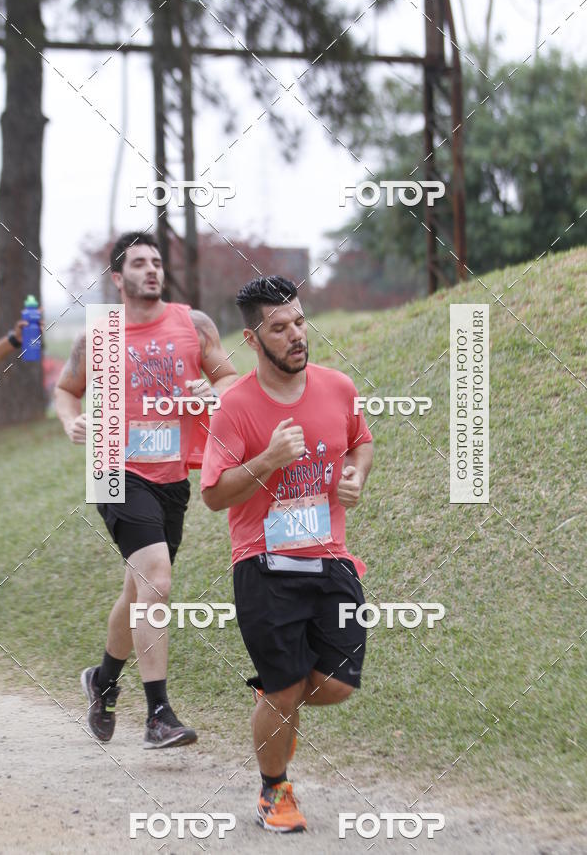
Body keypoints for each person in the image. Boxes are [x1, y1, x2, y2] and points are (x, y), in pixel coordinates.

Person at [200, 276, 373, 832]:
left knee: (339, 683)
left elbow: (361, 440)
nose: (296, 335)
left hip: (332, 558)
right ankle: (274, 791)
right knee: (284, 686)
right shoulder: (235, 408)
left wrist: (355, 474)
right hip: (263, 563)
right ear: (253, 339)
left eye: (299, 321)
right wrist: (269, 459)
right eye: (280, 328)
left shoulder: (338, 386)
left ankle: (275, 702)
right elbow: (213, 494)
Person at [54, 231, 238, 748]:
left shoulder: (193, 324)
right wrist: (71, 421)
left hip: (171, 473)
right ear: (118, 277)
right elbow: (67, 391)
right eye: (139, 263)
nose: (152, 269)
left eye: (157, 261)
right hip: (114, 467)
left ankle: (102, 680)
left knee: (140, 589)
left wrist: (213, 388)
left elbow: (230, 379)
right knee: (156, 577)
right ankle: (158, 713)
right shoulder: (100, 336)